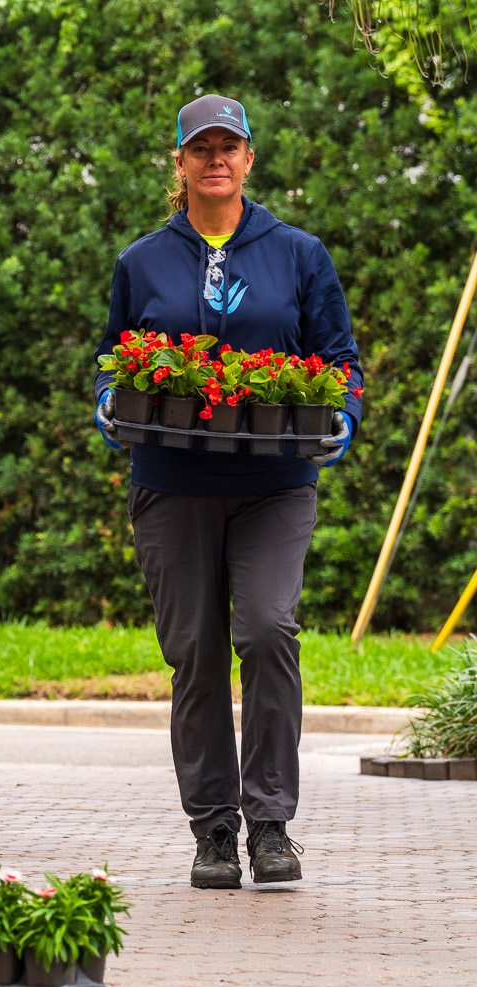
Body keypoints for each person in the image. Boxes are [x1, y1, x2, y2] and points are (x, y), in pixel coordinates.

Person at [92, 93, 363, 890]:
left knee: (269, 631)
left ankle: (271, 823)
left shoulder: (300, 253)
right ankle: (213, 830)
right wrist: (109, 400)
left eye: (229, 146)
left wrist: (342, 410)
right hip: (172, 483)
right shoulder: (142, 260)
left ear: (249, 158)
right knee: (197, 655)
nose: (216, 158)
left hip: (275, 480)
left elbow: (340, 356)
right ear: (179, 164)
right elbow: (112, 355)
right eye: (200, 147)